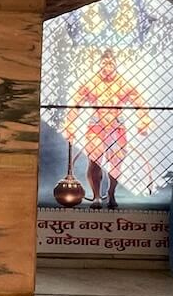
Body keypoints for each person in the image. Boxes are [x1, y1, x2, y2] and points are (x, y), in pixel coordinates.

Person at [63, 49, 151, 209]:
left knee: (116, 163)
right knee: (95, 160)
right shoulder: (90, 82)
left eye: (111, 63)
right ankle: (96, 196)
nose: (107, 66)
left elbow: (139, 102)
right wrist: (70, 125)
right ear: (99, 64)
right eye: (104, 63)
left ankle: (111, 192)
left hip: (117, 127)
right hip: (96, 126)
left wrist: (143, 122)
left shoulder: (123, 83)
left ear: (116, 65)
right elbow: (76, 102)